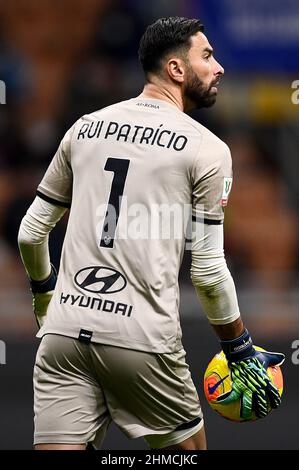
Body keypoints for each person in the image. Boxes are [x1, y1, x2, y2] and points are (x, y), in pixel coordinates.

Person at [18, 17, 284, 451]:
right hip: (139, 337)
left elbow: (31, 234)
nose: (218, 68)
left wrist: (47, 301)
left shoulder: (84, 127)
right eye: (207, 56)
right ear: (176, 70)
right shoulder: (207, 149)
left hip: (63, 334)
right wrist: (239, 348)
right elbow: (209, 271)